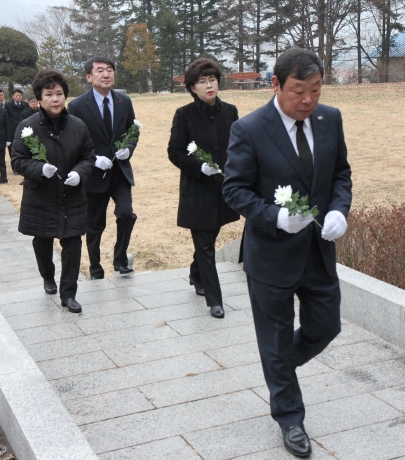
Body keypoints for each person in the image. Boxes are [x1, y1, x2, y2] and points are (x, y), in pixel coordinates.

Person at [222, 48, 352, 458]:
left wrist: (339, 209)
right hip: (271, 256)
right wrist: (276, 217)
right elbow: (234, 190)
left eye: (316, 89)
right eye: (299, 91)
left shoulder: (330, 119)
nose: (308, 100)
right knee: (276, 337)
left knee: (326, 326)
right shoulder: (249, 128)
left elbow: (340, 173)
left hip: (317, 251)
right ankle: (290, 417)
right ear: (276, 84)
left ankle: (277, 366)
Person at [11, 69, 96, 313]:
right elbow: (17, 160)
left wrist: (79, 173)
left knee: (73, 242)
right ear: (39, 98)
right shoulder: (27, 127)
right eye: (49, 94)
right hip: (41, 195)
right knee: (42, 240)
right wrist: (39, 169)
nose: (55, 99)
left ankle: (68, 293)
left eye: (59, 93)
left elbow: (88, 155)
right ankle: (47, 275)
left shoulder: (78, 126)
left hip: (71, 195)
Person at [167, 58, 240, 319]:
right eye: (202, 82)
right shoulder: (184, 114)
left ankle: (196, 273)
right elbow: (174, 152)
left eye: (212, 80)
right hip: (197, 191)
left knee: (209, 239)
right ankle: (214, 299)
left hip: (222, 190)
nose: (209, 86)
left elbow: (238, 146)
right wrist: (199, 167)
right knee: (205, 244)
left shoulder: (230, 111)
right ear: (192, 88)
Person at [67, 57, 139, 279]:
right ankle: (95, 266)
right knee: (95, 224)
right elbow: (72, 141)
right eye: (100, 71)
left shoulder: (124, 101)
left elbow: (133, 131)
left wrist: (128, 148)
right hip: (94, 175)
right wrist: (94, 159)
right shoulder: (77, 106)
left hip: (120, 172)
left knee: (126, 214)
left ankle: (120, 259)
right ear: (89, 77)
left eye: (109, 70)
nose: (106, 74)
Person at [5, 88, 27, 157]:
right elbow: (6, 119)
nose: (18, 97)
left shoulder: (26, 105)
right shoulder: (8, 106)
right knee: (12, 148)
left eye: (19, 95)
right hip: (12, 131)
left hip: (24, 130)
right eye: (16, 96)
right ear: (12, 96)